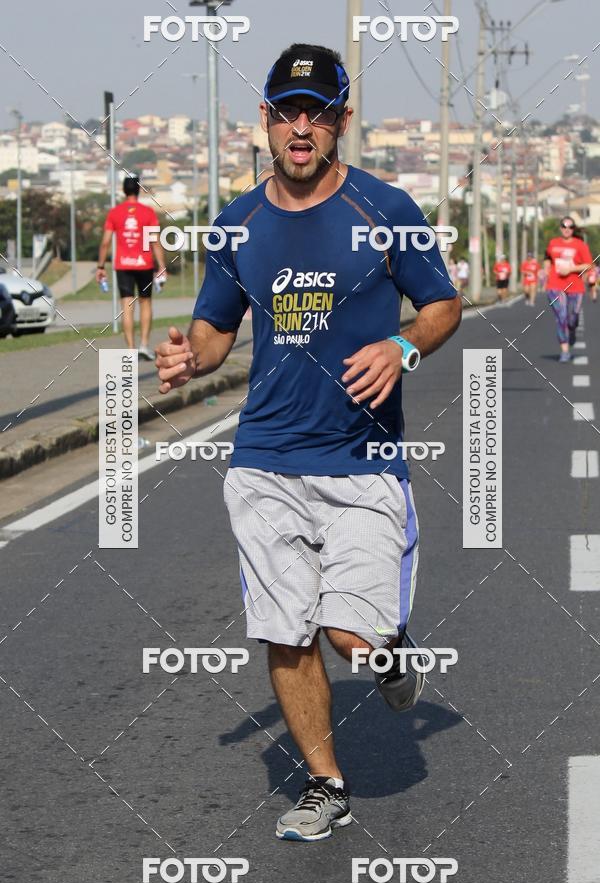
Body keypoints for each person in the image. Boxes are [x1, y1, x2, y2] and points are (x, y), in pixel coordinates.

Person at [155, 43, 461, 842]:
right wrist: (190, 358)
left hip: (362, 462)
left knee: (349, 634)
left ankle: (391, 652)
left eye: (317, 113)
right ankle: (326, 782)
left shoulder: (385, 208)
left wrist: (402, 348)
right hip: (263, 461)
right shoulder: (235, 225)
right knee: (286, 632)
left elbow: (442, 306)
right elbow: (216, 330)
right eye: (287, 111)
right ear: (264, 120)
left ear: (340, 123)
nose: (301, 127)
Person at [96, 174, 167, 361]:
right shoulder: (148, 213)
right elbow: (155, 242)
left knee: (127, 306)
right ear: (138, 190)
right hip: (144, 264)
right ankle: (144, 345)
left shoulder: (114, 213)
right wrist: (162, 266)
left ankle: (130, 349)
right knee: (146, 303)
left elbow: (105, 242)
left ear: (123, 190)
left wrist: (100, 266)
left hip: (123, 265)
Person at [544, 216, 592, 362]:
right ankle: (565, 351)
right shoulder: (553, 243)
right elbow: (547, 257)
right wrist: (546, 267)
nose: (567, 229)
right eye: (564, 226)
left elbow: (589, 265)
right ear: (560, 228)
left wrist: (572, 268)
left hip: (575, 286)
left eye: (570, 227)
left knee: (572, 318)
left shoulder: (580, 245)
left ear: (573, 229)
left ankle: (572, 329)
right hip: (554, 285)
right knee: (561, 317)